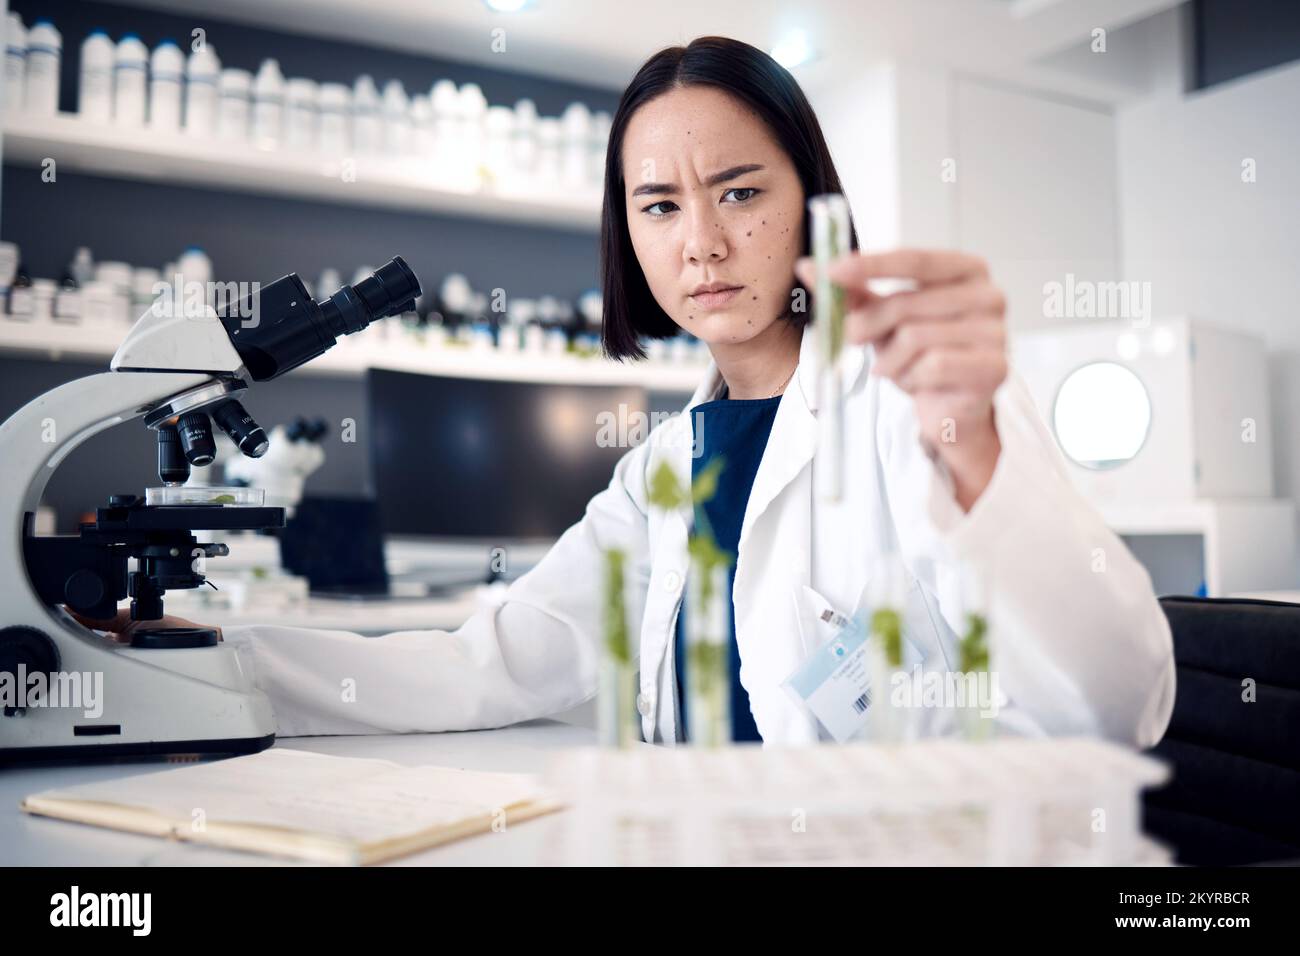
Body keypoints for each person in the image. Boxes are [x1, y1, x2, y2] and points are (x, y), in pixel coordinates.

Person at [78, 36, 1174, 747]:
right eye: (657, 206)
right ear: (627, 237)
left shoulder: (913, 405)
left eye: (739, 191)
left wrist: (977, 449)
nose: (701, 241)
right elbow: (483, 666)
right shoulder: (661, 475)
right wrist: (190, 658)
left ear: (809, 201)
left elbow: (1121, 705)